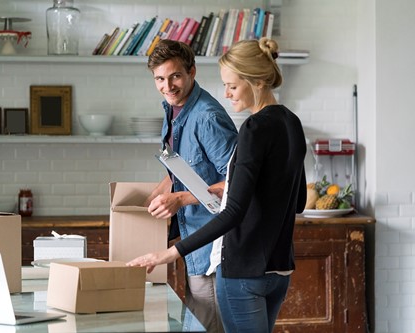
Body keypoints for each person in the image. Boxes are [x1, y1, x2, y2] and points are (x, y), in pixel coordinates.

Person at [128, 37, 307, 333]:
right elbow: (297, 200)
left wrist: (172, 252)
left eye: (232, 86)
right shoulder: (291, 122)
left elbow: (233, 211)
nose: (225, 94)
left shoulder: (252, 128)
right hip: (279, 267)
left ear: (258, 81)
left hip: (242, 270)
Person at [143, 39, 237, 333]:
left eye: (175, 76)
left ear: (192, 72)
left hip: (213, 247)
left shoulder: (208, 117)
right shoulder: (173, 109)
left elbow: (236, 184)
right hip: (191, 240)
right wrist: (161, 191)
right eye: (160, 78)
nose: (167, 85)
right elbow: (182, 167)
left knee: (202, 327)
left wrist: (181, 199)